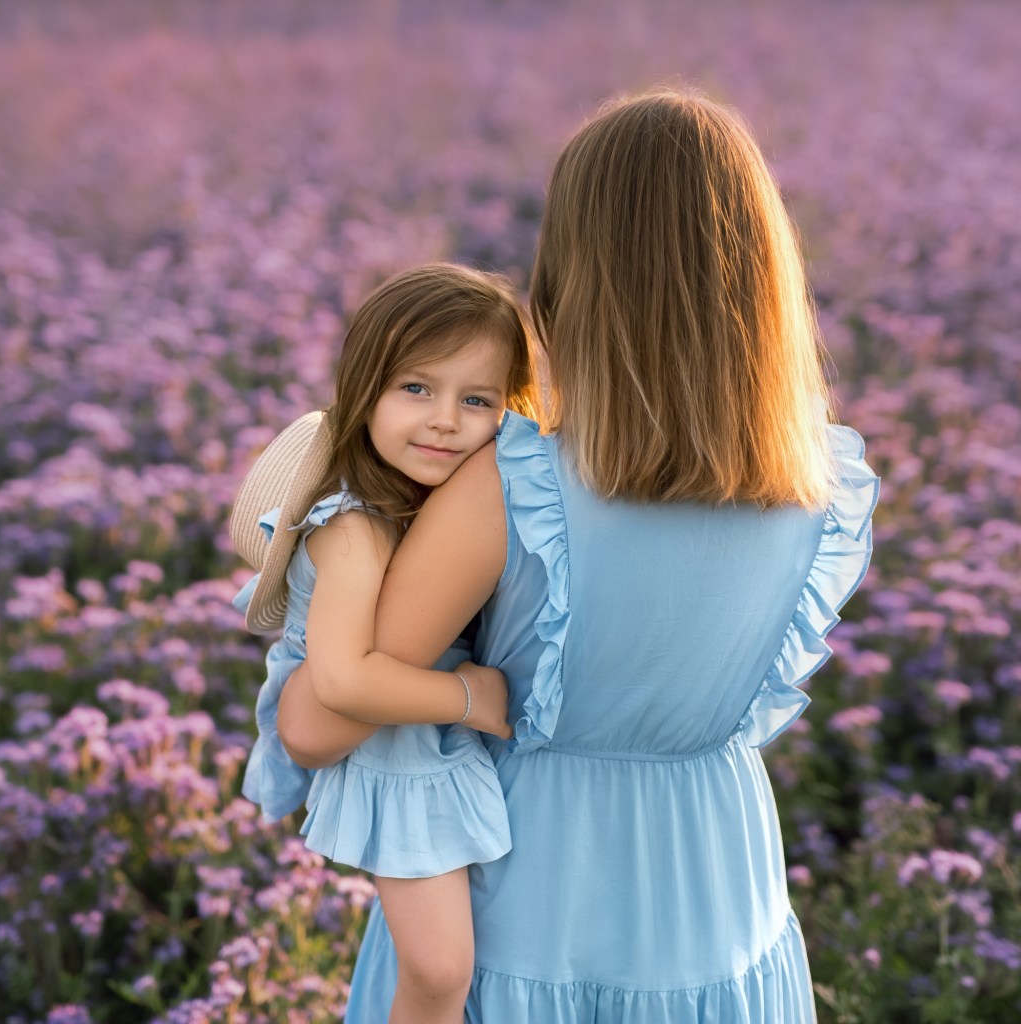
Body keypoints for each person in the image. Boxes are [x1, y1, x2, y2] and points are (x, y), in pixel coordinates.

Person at [280, 89, 880, 1022]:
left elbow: (317, 724)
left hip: (529, 892)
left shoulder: (515, 485)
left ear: (575, 278)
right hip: (715, 886)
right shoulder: (819, 484)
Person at [229, 262, 534, 1024]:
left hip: (412, 736)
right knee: (439, 973)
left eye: (477, 400)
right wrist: (471, 697)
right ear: (365, 389)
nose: (444, 420)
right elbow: (340, 682)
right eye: (416, 389)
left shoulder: (419, 503)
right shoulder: (355, 527)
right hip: (391, 753)